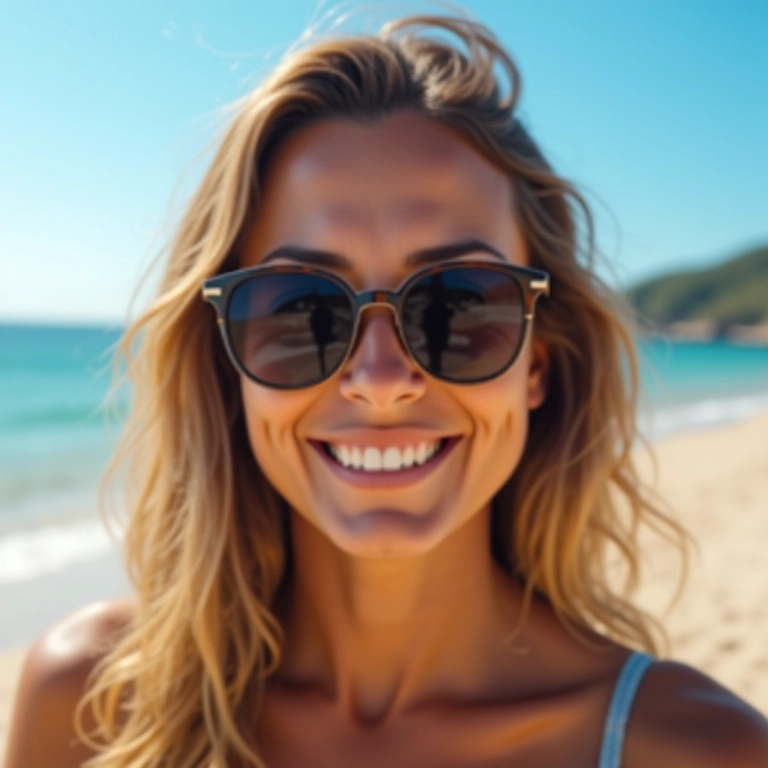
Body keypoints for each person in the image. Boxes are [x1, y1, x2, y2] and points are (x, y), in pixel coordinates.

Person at [6, 13, 768, 768]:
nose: (379, 380)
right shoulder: (89, 709)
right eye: (299, 309)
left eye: (460, 304)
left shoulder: (697, 752)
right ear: (228, 359)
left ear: (537, 361)